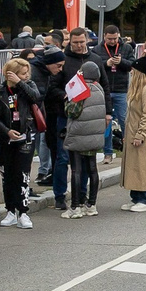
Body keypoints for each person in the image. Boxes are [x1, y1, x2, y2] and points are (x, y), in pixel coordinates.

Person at [0, 56, 42, 229]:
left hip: (25, 137)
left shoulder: (28, 86)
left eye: (27, 73)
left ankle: (23, 212)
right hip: (5, 139)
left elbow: (36, 98)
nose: (26, 76)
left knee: (22, 175)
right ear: (11, 74)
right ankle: (10, 210)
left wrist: (20, 83)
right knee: (7, 176)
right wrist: (6, 131)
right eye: (22, 73)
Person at [60, 37, 104, 218]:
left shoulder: (80, 89)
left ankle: (75, 206)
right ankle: (91, 204)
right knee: (93, 169)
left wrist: (67, 102)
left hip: (78, 134)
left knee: (76, 170)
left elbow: (73, 111)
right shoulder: (99, 89)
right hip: (94, 135)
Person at [118, 49, 146, 211]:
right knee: (134, 167)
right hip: (133, 132)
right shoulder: (138, 88)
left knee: (144, 167)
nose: (131, 73)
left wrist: (140, 134)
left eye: (133, 71)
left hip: (144, 134)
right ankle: (136, 197)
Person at [31, 45, 70, 211]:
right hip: (32, 119)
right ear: (49, 63)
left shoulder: (46, 73)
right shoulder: (35, 72)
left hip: (40, 117)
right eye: (58, 66)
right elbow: (36, 96)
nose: (60, 69)